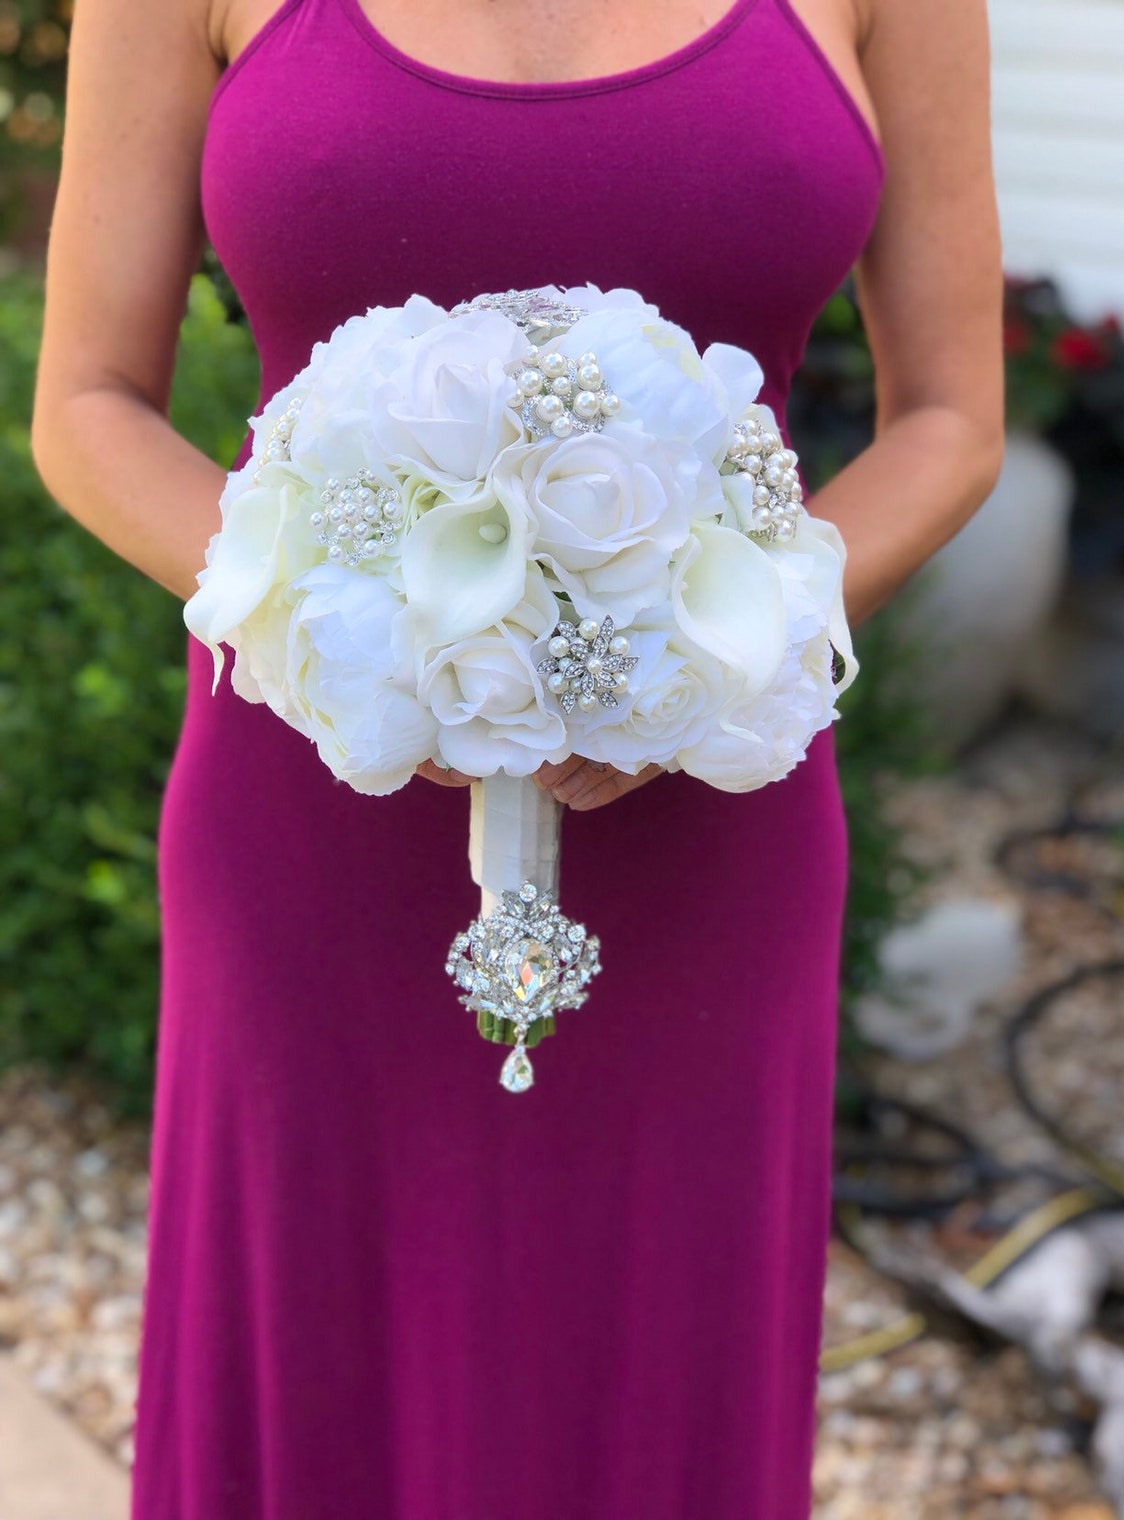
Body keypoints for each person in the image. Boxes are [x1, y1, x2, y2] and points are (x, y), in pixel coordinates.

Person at [31, 0, 1003, 1514]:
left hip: (711, 829)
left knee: (658, 1367)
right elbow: (87, 404)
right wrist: (348, 639)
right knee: (313, 1362)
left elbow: (950, 415)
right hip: (314, 804)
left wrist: (694, 669)